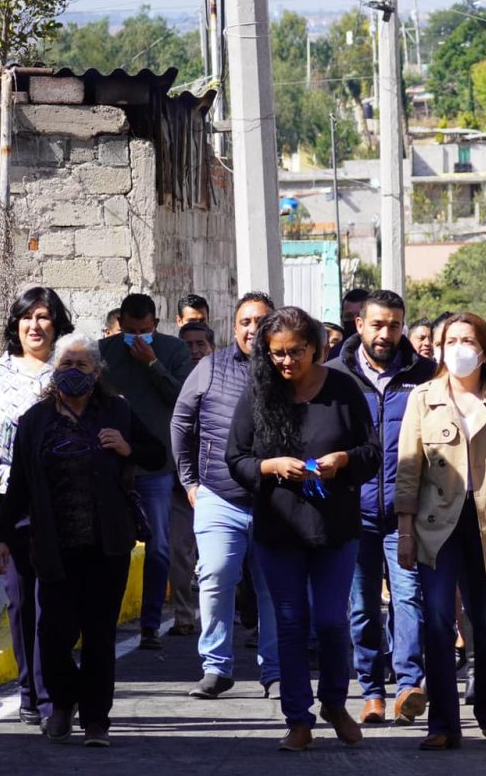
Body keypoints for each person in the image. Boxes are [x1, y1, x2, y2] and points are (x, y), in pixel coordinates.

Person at [0, 333, 164, 746]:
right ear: (55, 369)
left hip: (107, 544)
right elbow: (16, 486)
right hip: (53, 544)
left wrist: (126, 447)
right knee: (54, 634)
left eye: (82, 365)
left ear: (97, 372)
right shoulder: (35, 420)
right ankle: (63, 702)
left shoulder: (117, 412)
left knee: (100, 634)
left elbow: (156, 454)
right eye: (66, 364)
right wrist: (0, 538)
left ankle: (96, 721)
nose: (72, 372)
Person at [226, 306, 380, 751]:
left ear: (315, 347)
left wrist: (344, 461)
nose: (287, 362)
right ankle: (298, 718)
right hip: (279, 528)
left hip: (335, 528)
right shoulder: (259, 393)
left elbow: (371, 450)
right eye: (276, 354)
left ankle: (334, 702)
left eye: (296, 352)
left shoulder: (343, 390)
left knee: (332, 621)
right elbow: (236, 459)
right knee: (291, 623)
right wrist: (271, 466)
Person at [395, 313, 486, 749]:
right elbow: (408, 468)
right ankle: (443, 725)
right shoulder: (423, 398)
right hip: (437, 524)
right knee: (436, 621)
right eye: (450, 340)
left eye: (468, 339)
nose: (459, 347)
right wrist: (406, 528)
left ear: (485, 348)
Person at [326, 289, 438, 726]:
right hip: (353, 516)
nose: (386, 333)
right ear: (359, 325)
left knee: (410, 599)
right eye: (377, 324)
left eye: (394, 325)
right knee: (362, 606)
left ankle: (409, 685)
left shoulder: (425, 374)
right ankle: (372, 691)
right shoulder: (334, 375)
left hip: (407, 511)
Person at [0, 286, 73, 726]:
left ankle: (55, 689)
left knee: (59, 599)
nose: (35, 326)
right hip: (14, 500)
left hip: (65, 499)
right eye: (28, 317)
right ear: (16, 325)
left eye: (44, 317)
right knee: (21, 598)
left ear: (56, 324)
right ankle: (31, 689)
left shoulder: (70, 372)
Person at [173, 292, 279, 700]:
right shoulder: (209, 368)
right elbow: (181, 423)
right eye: (246, 322)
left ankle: (275, 672)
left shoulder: (288, 366)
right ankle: (216, 668)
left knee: (272, 587)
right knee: (215, 576)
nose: (253, 329)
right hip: (219, 496)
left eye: (261, 322)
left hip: (276, 503)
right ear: (234, 328)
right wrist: (190, 483)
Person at [99, 293, 196, 648]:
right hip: (112, 464)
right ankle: (104, 620)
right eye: (130, 330)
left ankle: (150, 625)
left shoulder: (173, 351)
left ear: (155, 325)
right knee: (113, 547)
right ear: (119, 325)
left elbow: (183, 398)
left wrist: (152, 363)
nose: (137, 337)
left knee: (158, 547)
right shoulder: (104, 354)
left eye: (145, 330)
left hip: (155, 464)